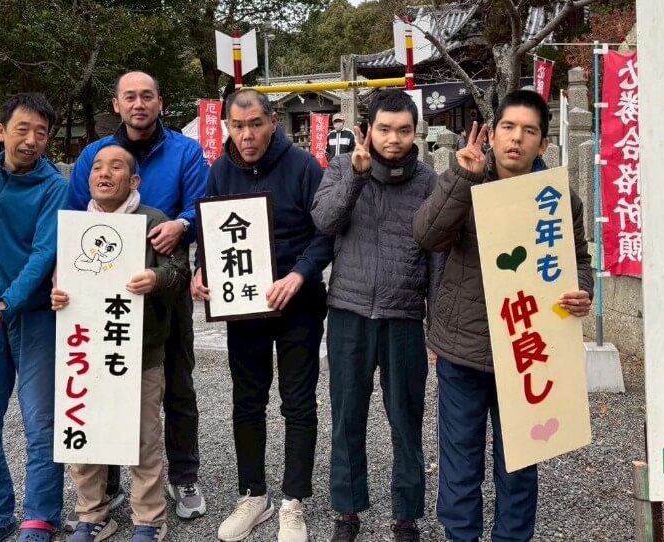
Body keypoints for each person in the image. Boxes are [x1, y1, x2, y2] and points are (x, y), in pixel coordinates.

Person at [413, 89, 593, 542]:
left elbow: (579, 260)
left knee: (521, 461)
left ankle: (512, 537)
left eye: (529, 131)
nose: (516, 139)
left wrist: (583, 292)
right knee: (460, 458)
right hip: (464, 347)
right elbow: (427, 236)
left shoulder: (557, 200)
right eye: (508, 128)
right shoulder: (466, 178)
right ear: (492, 134)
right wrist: (461, 178)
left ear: (543, 143)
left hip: (528, 348)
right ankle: (461, 536)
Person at [67, 71, 209, 525]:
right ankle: (107, 485)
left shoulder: (185, 151)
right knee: (102, 383)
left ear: (160, 102)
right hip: (103, 292)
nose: (138, 104)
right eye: (129, 97)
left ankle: (183, 475)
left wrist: (181, 225)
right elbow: (72, 217)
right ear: (116, 105)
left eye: (147, 96)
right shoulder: (95, 155)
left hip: (165, 283)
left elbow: (202, 205)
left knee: (176, 383)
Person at [191, 89, 333, 542]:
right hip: (245, 306)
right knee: (247, 401)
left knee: (298, 401)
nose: (247, 135)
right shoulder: (221, 171)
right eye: (238, 126)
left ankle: (293, 500)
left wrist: (300, 275)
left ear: (273, 121)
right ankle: (253, 494)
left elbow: (326, 233)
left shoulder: (304, 167)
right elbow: (210, 233)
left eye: (255, 124)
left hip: (297, 303)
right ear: (227, 127)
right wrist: (201, 270)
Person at [310, 90, 443, 542]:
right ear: (368, 130)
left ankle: (406, 516)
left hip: (403, 315)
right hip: (349, 311)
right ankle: (347, 512)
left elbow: (437, 257)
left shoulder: (428, 182)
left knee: (406, 419)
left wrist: (435, 326)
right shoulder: (342, 168)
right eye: (384, 129)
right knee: (347, 416)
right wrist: (356, 177)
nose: (393, 139)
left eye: (404, 130)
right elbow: (325, 221)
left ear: (415, 132)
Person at [53, 144, 190, 542]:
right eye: (98, 167)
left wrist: (156, 279)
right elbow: (62, 279)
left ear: (133, 181)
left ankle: (149, 519)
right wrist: (57, 295)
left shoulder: (154, 221)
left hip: (141, 352)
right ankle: (92, 514)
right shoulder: (76, 226)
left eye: (116, 167)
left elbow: (180, 273)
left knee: (143, 438)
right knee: (84, 433)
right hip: (83, 352)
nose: (104, 173)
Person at [0, 93, 69, 542]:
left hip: (34, 316)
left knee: (41, 424)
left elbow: (44, 255)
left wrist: (3, 306)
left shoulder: (54, 186)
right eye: (22, 129)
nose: (31, 140)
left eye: (40, 133)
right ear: (0, 130)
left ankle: (40, 516)